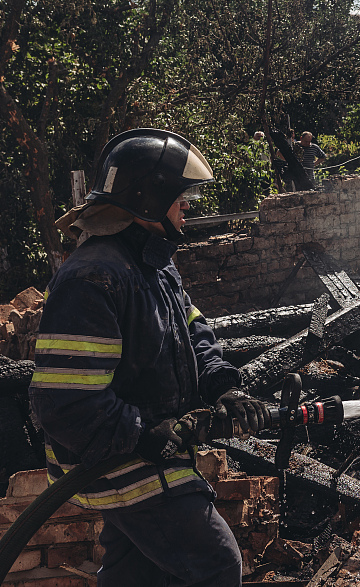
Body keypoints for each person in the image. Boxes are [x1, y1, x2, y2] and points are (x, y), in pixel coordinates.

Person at [30, 128, 271, 587]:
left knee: (135, 576)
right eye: (181, 196)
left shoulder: (151, 263)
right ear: (149, 200)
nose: (188, 206)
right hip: (117, 464)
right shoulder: (93, 277)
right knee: (216, 565)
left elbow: (191, 330)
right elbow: (65, 402)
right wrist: (142, 433)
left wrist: (225, 384)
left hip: (142, 455)